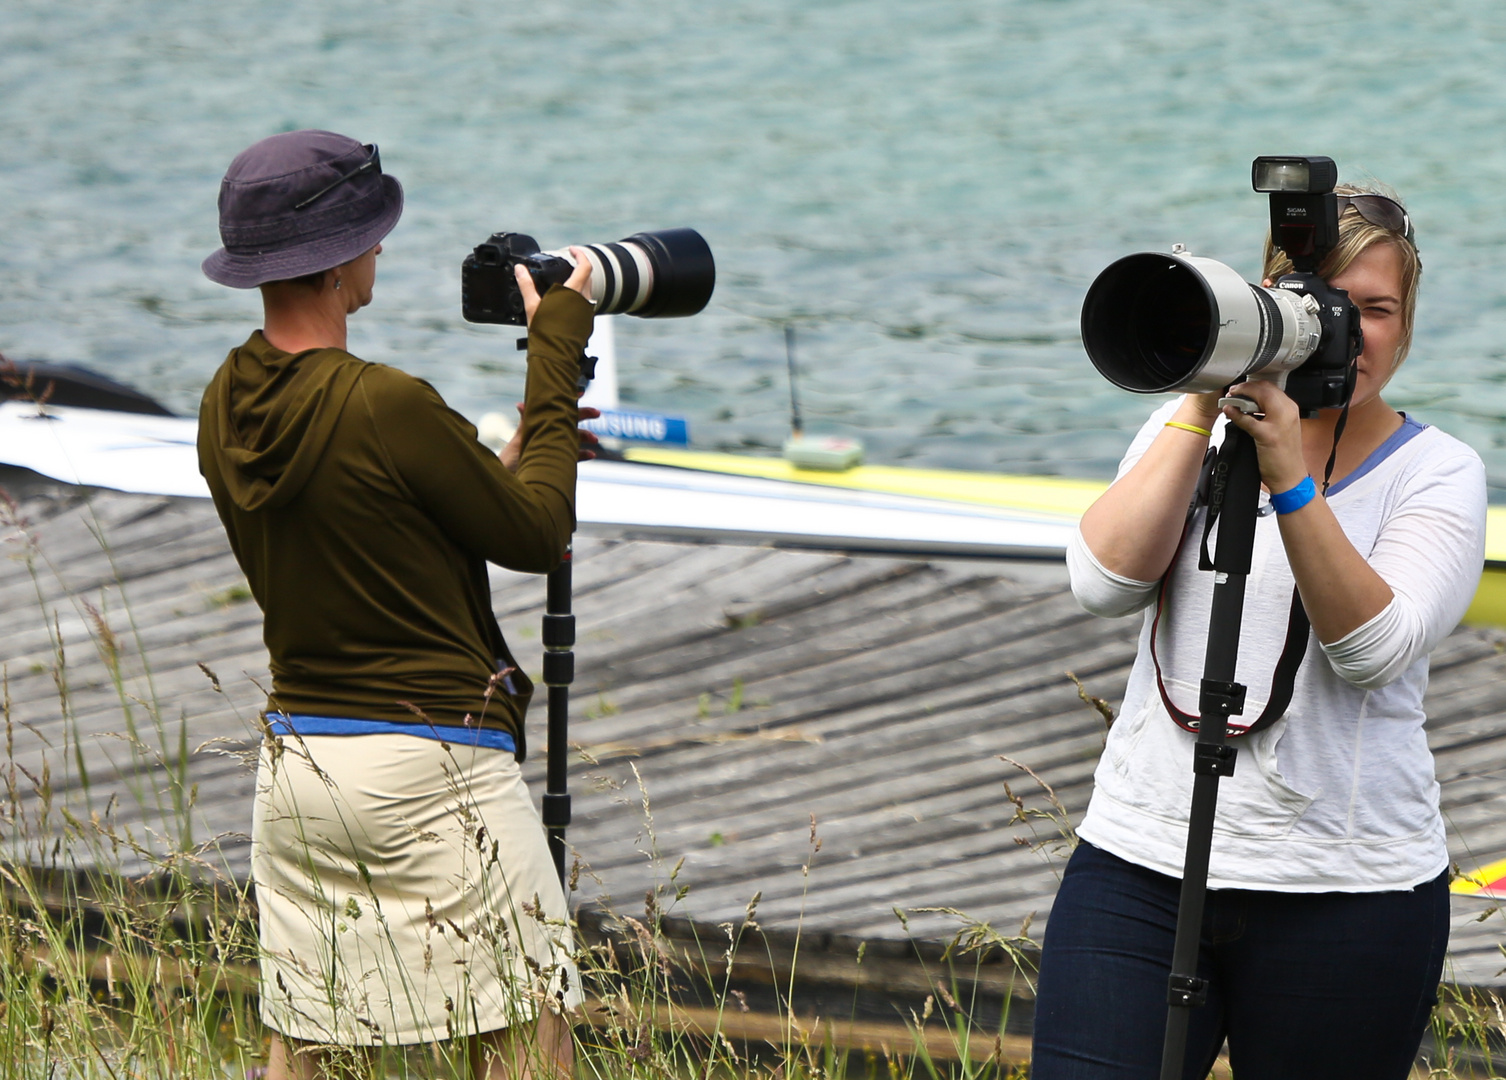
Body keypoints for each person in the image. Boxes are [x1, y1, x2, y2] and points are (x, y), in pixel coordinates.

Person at [1031, 186, 1486, 1078]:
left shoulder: (1438, 473)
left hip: (1348, 891)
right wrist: (1204, 392)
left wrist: (1288, 474)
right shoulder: (1185, 429)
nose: (1349, 331)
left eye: (1377, 310)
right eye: (1323, 306)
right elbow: (1103, 582)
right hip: (1142, 860)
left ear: (1409, 323)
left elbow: (1372, 649)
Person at [197, 129, 597, 1079]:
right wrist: (556, 353)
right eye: (374, 237)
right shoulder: (385, 402)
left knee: (300, 1048)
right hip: (432, 766)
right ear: (340, 263)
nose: (381, 252)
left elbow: (357, 531)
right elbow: (539, 534)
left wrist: (479, 479)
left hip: (300, 769)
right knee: (528, 1037)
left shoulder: (225, 402)